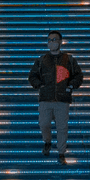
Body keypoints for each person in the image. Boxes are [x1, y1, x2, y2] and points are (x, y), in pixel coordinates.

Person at [27, 31, 83, 163]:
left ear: (60, 42)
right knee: (44, 123)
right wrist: (39, 85)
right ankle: (47, 141)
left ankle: (61, 152)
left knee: (62, 127)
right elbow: (32, 76)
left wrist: (71, 86)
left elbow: (78, 75)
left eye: (55, 39)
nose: (52, 42)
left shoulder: (69, 60)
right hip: (45, 98)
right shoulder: (42, 60)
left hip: (62, 99)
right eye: (49, 40)